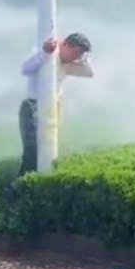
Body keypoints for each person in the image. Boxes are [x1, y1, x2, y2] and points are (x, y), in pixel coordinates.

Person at [19, 32, 93, 175]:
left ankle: (41, 182)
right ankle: (21, 189)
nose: (76, 58)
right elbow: (25, 69)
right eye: (76, 53)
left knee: (51, 149)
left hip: (52, 108)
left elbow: (89, 72)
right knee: (32, 152)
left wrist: (85, 56)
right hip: (32, 107)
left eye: (80, 55)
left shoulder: (67, 65)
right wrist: (45, 53)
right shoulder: (45, 53)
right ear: (66, 44)